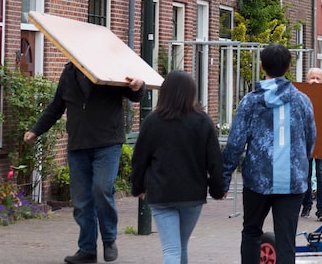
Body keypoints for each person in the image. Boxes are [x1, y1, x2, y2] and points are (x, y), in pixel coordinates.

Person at [24, 63, 144, 264]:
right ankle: (87, 250)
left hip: (108, 143)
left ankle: (109, 239)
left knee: (102, 189)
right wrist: (36, 130)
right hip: (78, 145)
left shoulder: (109, 68)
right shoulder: (69, 72)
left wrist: (139, 87)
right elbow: (56, 106)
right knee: (81, 201)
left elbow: (134, 94)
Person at [221, 44, 315, 264]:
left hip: (258, 181)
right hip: (292, 182)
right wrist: (301, 163)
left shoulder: (250, 102)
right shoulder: (302, 101)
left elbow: (235, 143)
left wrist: (224, 179)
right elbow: (310, 139)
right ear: (289, 66)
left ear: (262, 66)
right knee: (286, 242)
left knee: (252, 232)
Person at [130, 71, 225, 264]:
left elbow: (140, 158)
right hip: (192, 194)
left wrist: (138, 187)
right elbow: (214, 160)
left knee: (172, 249)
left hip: (161, 193)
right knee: (180, 244)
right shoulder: (203, 121)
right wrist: (217, 189)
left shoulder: (152, 121)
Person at [300, 67, 322, 221]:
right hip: (305, 143)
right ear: (307, 79)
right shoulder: (300, 96)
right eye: (312, 78)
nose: (315, 81)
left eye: (318, 78)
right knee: (305, 175)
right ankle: (306, 206)